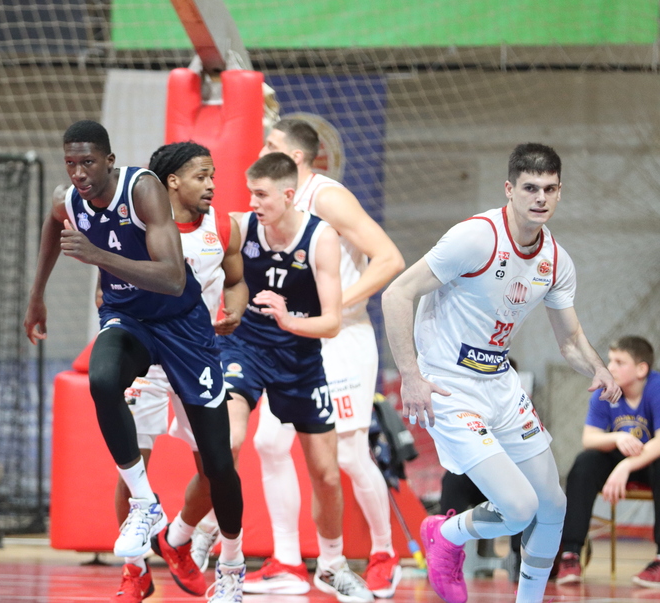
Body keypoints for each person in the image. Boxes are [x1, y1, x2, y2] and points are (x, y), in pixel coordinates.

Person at [381, 143, 621, 603]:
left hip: (501, 384)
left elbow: (570, 339)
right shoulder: (476, 239)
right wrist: (410, 376)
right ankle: (445, 534)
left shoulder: (556, 261)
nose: (540, 198)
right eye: (530, 188)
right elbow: (397, 294)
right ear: (509, 189)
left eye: (549, 189)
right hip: (449, 386)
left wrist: (598, 368)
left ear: (560, 192)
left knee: (552, 506)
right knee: (519, 508)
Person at [23, 122, 245, 603]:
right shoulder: (70, 199)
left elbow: (172, 278)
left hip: (185, 330)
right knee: (103, 380)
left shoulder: (143, 190)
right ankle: (143, 517)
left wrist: (97, 255)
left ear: (109, 160)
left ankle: (230, 566)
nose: (79, 173)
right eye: (71, 164)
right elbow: (54, 220)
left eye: (87, 162)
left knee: (219, 464)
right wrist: (37, 294)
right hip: (131, 322)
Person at [232, 118, 405, 598]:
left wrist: (333, 306)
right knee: (269, 443)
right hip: (293, 340)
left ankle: (383, 553)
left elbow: (390, 259)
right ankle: (287, 561)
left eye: (271, 144)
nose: (262, 149)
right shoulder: (269, 207)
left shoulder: (326, 197)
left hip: (341, 338)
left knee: (348, 453)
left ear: (296, 158)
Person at [106, 141, 248, 601]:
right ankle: (134, 570)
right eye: (201, 176)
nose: (211, 185)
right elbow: (105, 292)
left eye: (212, 176)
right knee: (133, 470)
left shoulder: (222, 227)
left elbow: (236, 280)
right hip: (147, 358)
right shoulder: (134, 226)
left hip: (195, 355)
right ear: (172, 181)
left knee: (216, 467)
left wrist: (235, 310)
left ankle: (178, 537)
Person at [555, 336, 660, 587]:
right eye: (610, 360)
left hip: (650, 461)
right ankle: (571, 553)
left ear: (641, 369)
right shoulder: (607, 390)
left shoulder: (656, 388)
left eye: (619, 362)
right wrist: (617, 437)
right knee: (585, 462)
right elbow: (589, 439)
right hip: (618, 459)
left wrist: (626, 466)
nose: (610, 367)